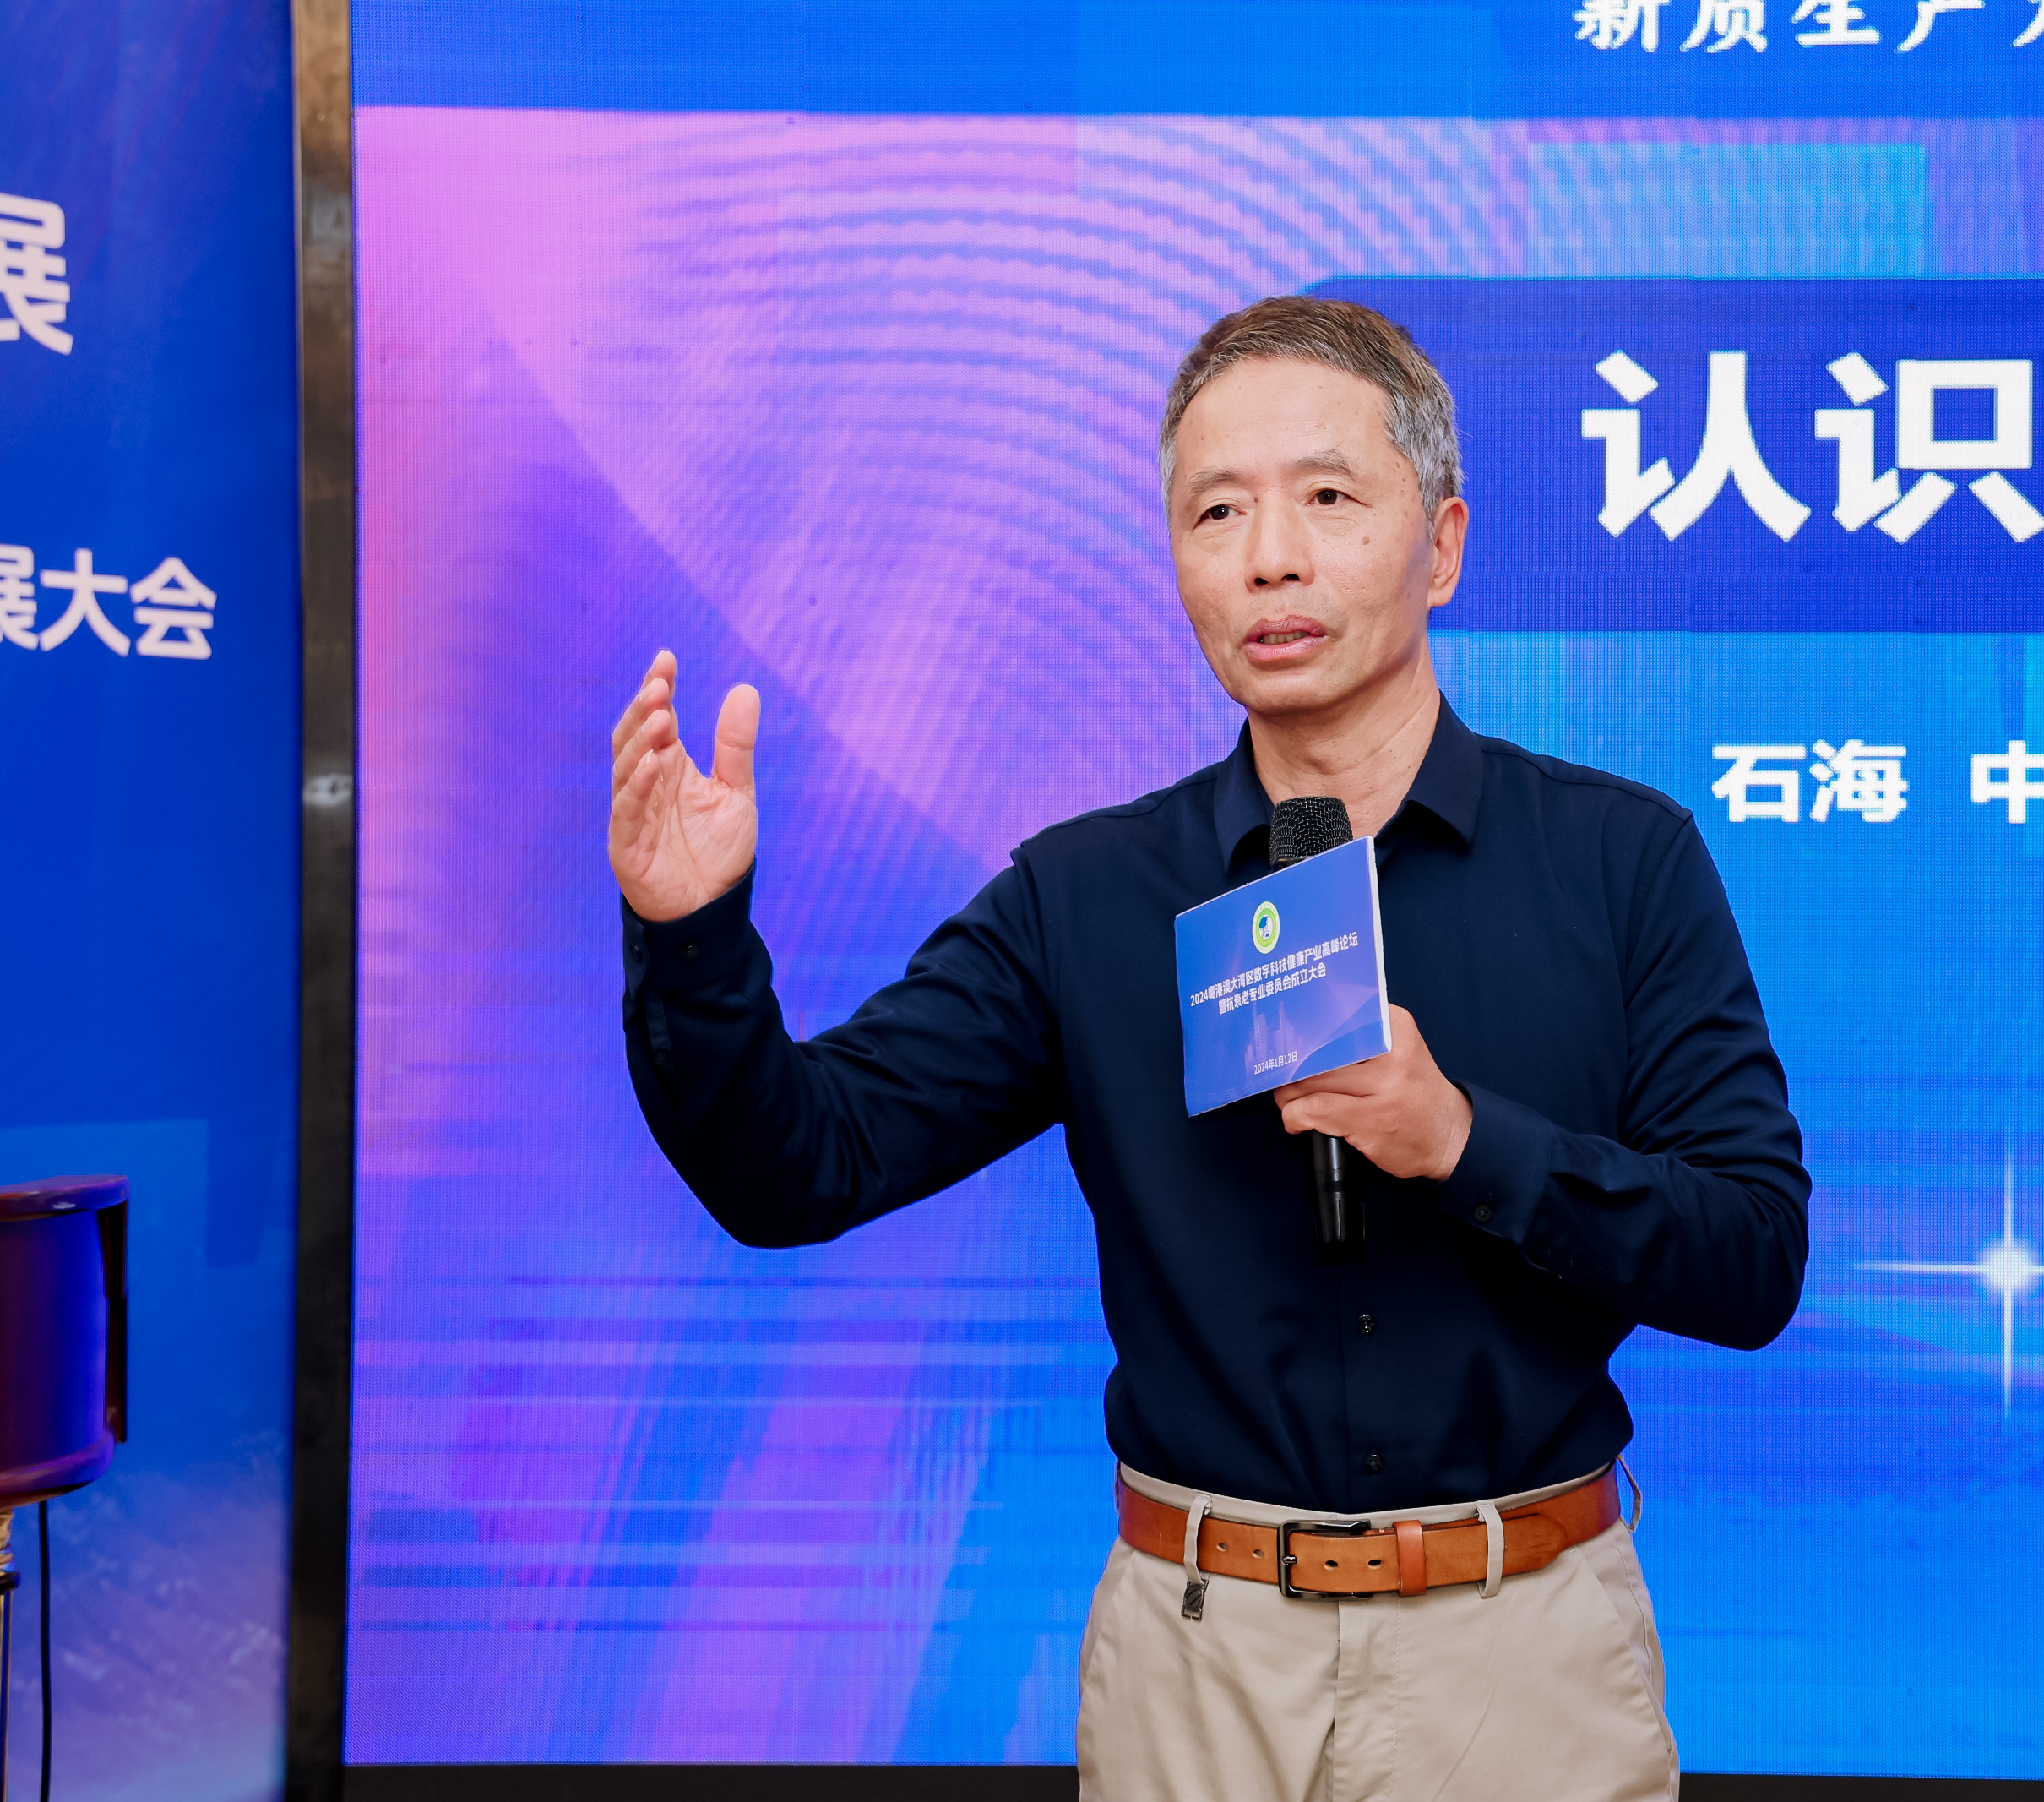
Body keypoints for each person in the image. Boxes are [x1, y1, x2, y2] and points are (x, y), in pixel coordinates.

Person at [607, 295, 1809, 1800]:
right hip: (1198, 1653)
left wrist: (1461, 1141)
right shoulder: (1087, 894)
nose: (1269, 558)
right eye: (1217, 512)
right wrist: (695, 936)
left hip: (1523, 1645)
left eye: (1328, 498)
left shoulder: (1621, 860)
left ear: (1440, 545)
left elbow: (1753, 1256)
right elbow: (798, 1166)